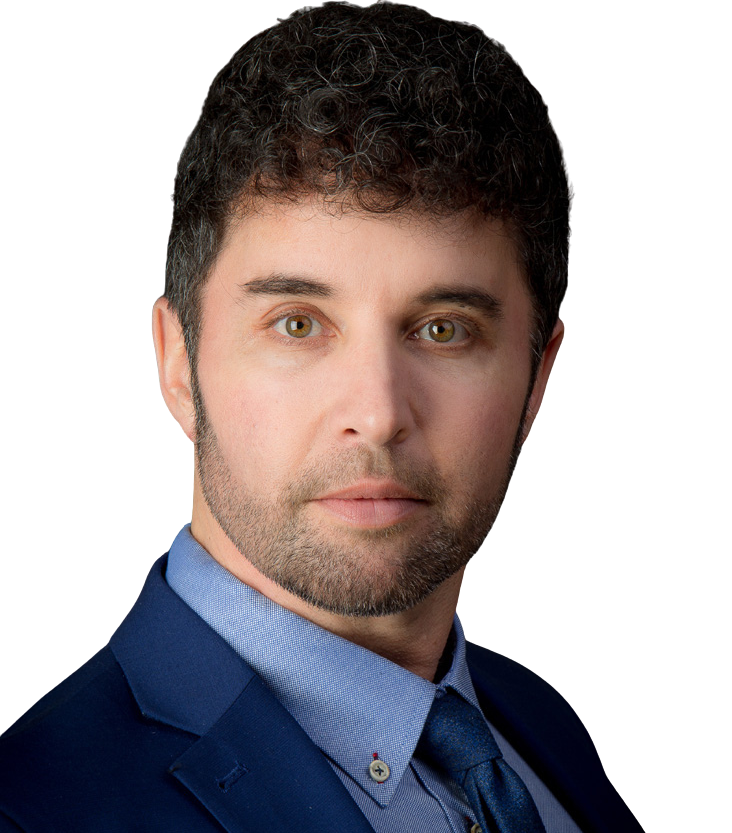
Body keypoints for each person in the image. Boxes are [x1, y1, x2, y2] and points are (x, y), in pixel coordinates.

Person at [0, 2, 643, 831]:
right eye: (298, 324)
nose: (376, 414)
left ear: (537, 378)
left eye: (443, 330)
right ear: (177, 365)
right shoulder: (32, 810)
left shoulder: (542, 726)